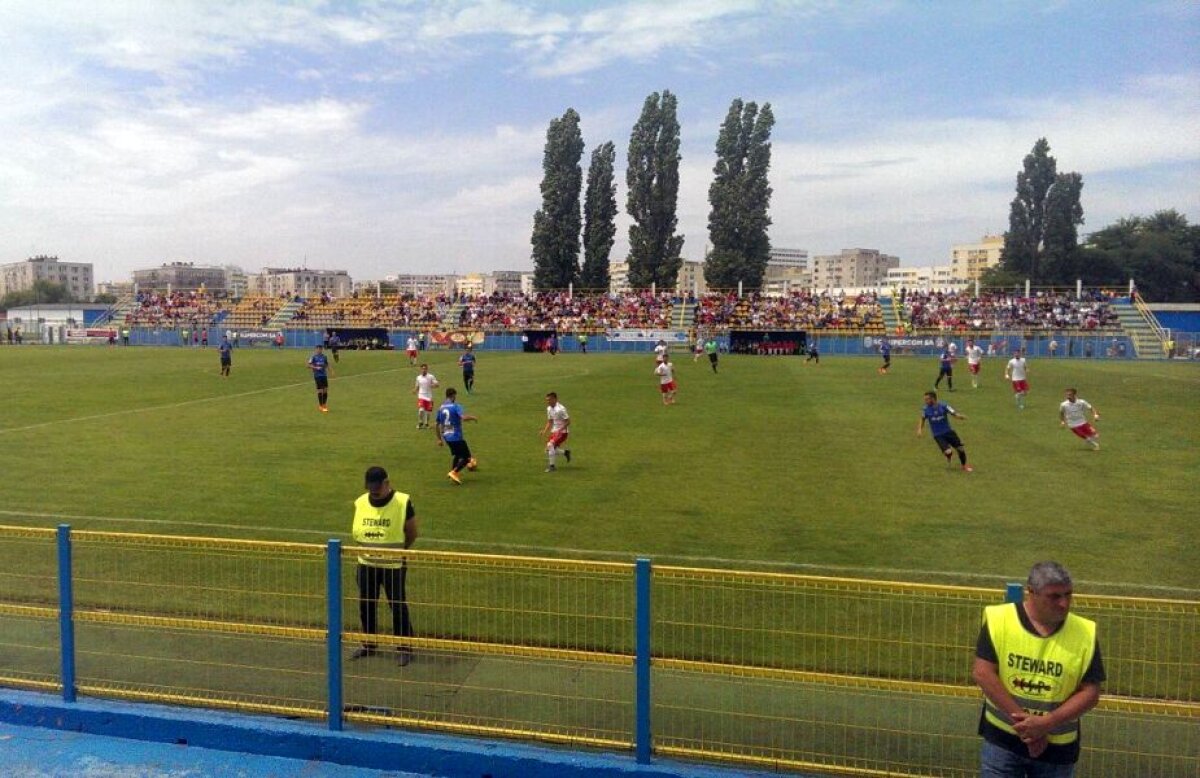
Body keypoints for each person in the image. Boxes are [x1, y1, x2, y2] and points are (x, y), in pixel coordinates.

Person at [972, 561, 1104, 776]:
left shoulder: (1084, 632)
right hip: (1003, 742)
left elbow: (1090, 693)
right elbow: (983, 673)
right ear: (1031, 593)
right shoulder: (1000, 620)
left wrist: (1047, 723)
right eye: (1054, 596)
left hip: (1057, 750)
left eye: (1068, 595)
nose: (1064, 603)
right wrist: (1029, 729)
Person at [349, 466, 417, 666]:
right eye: (371, 489)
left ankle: (405, 647)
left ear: (387, 483)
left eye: (377, 489)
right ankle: (369, 643)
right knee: (366, 604)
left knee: (397, 605)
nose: (374, 493)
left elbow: (412, 532)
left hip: (393, 565)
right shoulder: (361, 502)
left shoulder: (402, 502)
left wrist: (400, 551)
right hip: (366, 564)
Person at [917, 391, 972, 472]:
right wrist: (919, 429)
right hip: (938, 435)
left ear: (933, 399)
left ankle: (964, 466)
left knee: (960, 449)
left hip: (949, 432)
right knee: (948, 451)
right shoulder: (925, 409)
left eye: (927, 399)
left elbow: (953, 413)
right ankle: (948, 455)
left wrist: (960, 416)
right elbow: (922, 419)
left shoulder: (944, 405)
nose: (925, 401)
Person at [435, 388, 478, 485]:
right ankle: (454, 472)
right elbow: (463, 418)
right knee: (467, 458)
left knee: (458, 455)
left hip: (446, 437)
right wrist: (473, 417)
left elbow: (437, 424)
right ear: (453, 395)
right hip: (456, 436)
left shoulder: (441, 408)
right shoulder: (456, 406)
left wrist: (439, 439)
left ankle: (453, 472)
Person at [541, 391, 571, 473]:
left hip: (563, 432)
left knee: (550, 445)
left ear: (555, 399)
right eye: (547, 400)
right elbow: (550, 421)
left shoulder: (561, 409)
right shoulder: (549, 409)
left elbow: (568, 421)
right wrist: (544, 431)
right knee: (548, 450)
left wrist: (560, 430)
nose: (548, 402)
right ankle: (565, 452)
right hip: (554, 431)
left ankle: (552, 467)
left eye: (549, 400)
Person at [412, 363, 439, 429]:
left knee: (428, 412)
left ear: (427, 369)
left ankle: (426, 423)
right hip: (421, 395)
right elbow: (417, 386)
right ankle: (420, 422)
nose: (424, 370)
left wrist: (433, 385)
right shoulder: (418, 377)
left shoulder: (431, 376)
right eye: (422, 369)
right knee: (421, 410)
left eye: (425, 369)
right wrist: (415, 390)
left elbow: (437, 385)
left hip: (429, 396)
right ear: (420, 369)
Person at [307, 343, 331, 412]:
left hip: (324, 375)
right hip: (317, 375)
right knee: (320, 390)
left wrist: (331, 371)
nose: (319, 350)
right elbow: (308, 365)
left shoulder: (324, 357)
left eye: (320, 349)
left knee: (325, 390)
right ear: (316, 350)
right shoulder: (313, 357)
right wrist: (315, 367)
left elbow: (326, 364)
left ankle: (324, 404)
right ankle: (320, 406)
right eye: (318, 349)